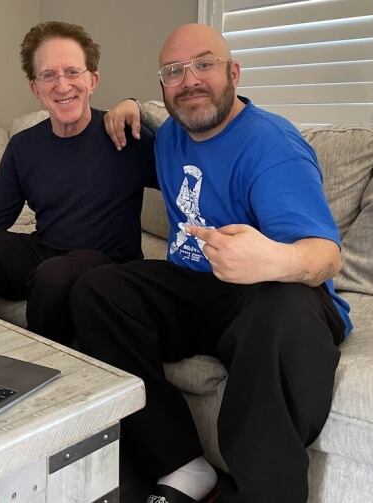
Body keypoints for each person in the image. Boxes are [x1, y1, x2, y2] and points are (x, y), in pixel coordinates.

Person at [70, 24, 352, 503]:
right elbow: (150, 117)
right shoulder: (171, 136)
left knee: (276, 314)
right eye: (174, 72)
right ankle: (181, 467)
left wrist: (273, 257)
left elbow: (326, 257)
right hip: (196, 285)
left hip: (272, 294)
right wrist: (130, 106)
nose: (190, 80)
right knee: (96, 290)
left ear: (233, 73)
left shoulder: (271, 145)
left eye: (205, 64)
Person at [0, 21, 155, 345]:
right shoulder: (24, 147)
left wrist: (139, 107)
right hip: (47, 251)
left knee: (54, 276)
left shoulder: (124, 135)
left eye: (72, 72)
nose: (62, 85)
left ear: (93, 80)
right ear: (36, 88)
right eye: (49, 75)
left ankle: (47, 376)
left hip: (109, 263)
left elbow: (187, 159)